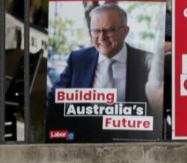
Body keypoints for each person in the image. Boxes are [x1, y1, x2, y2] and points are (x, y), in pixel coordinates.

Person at [48, 3, 160, 140]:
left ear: (125, 31)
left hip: (130, 144)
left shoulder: (147, 62)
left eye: (109, 30)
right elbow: (54, 98)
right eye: (96, 31)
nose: (101, 38)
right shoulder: (78, 59)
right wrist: (63, 136)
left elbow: (156, 110)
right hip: (84, 142)